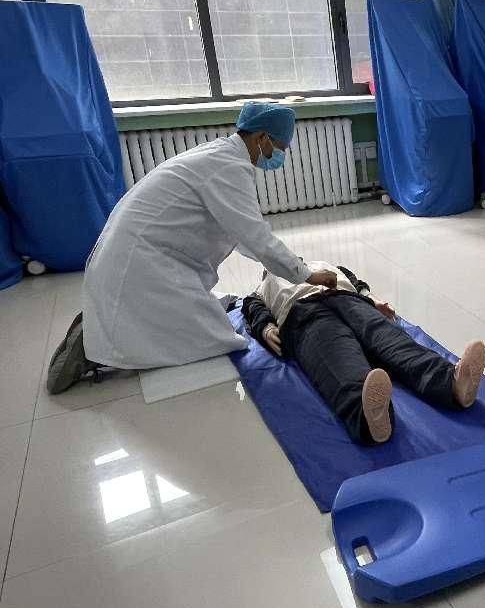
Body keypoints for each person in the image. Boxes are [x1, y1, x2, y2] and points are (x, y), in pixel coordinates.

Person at [47, 102, 338, 394]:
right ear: (262, 137)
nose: (280, 155)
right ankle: (95, 346)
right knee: (215, 339)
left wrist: (284, 264)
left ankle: (101, 327)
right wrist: (305, 274)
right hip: (140, 261)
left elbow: (240, 232)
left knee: (209, 315)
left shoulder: (219, 155)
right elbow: (256, 236)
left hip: (135, 253)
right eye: (280, 147)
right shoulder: (229, 168)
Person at [241, 262, 485, 445]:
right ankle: (368, 415)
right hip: (303, 313)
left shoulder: (325, 265)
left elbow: (355, 282)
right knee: (337, 355)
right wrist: (267, 328)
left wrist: (371, 299)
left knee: (389, 339)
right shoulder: (261, 289)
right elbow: (254, 310)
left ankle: (452, 382)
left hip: (348, 300)